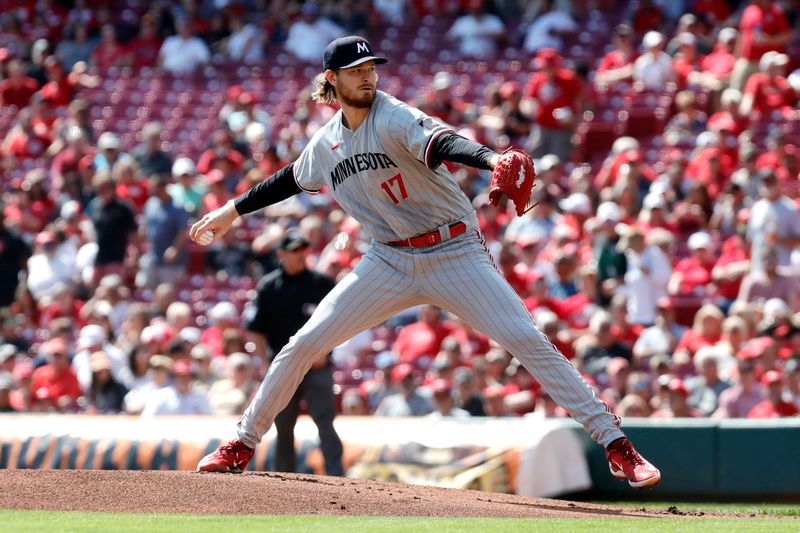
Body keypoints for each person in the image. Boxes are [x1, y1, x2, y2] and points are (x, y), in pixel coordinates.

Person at [192, 35, 660, 488]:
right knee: (302, 343)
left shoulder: (394, 116)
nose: (368, 77)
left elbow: (444, 142)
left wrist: (491, 157)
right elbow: (291, 179)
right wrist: (232, 211)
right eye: (356, 71)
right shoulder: (326, 142)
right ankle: (241, 441)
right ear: (331, 79)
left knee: (525, 339)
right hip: (387, 261)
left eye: (371, 68)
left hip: (453, 251)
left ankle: (617, 445)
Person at [243, 228, 343, 476]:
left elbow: (341, 321)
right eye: (295, 250)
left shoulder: (321, 284)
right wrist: (265, 361)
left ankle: (337, 476)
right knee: (284, 425)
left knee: (325, 421)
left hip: (316, 365)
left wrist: (326, 352)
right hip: (285, 366)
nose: (301, 254)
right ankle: (283, 480)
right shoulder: (269, 286)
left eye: (303, 249)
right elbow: (255, 329)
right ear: (281, 254)